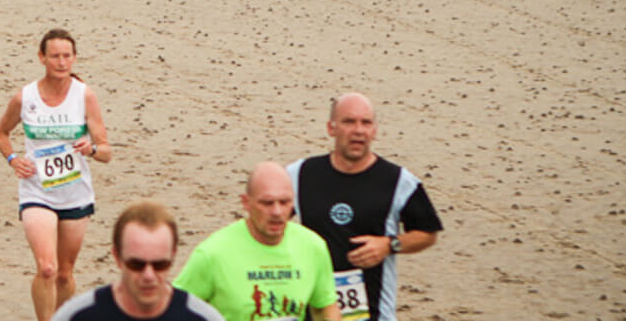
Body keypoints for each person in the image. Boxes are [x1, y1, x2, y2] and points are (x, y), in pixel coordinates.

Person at [287, 94, 442, 321]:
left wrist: (390, 244)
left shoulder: (400, 181)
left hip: (375, 313)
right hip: (311, 311)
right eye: (349, 122)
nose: (358, 130)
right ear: (332, 128)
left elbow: (428, 233)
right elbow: (266, 219)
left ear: (375, 131)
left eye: (366, 123)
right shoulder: (300, 175)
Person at [0, 28, 111, 321]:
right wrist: (12, 159)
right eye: (55, 56)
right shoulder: (26, 97)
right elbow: (1, 132)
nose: (61, 62)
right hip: (37, 191)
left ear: (74, 59)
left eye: (66, 56)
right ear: (42, 58)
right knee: (47, 268)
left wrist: (91, 149)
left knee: (65, 273)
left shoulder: (85, 96)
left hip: (75, 193)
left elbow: (106, 149)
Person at [173, 163, 341, 321]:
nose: (277, 212)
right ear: (246, 203)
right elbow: (173, 308)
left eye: (284, 202)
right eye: (267, 203)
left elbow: (324, 306)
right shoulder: (213, 254)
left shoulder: (312, 246)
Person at [52, 202, 224, 321]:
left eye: (159, 265)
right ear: (117, 257)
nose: (148, 275)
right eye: (136, 265)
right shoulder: (78, 316)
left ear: (173, 257)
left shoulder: (201, 317)